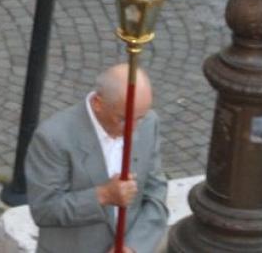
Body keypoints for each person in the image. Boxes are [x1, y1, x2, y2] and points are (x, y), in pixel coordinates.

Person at [25, 64, 168, 253]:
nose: (132, 128)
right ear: (98, 104)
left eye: (139, 118)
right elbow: (45, 210)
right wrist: (104, 195)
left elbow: (155, 192)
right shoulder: (53, 138)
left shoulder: (149, 123)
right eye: (123, 119)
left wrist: (132, 247)